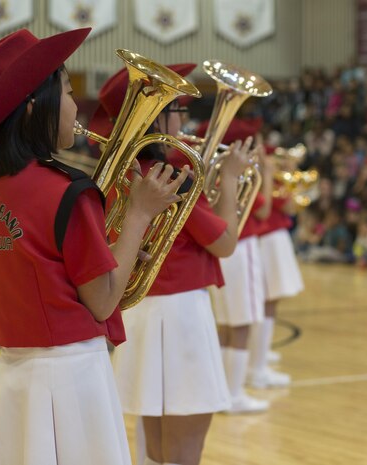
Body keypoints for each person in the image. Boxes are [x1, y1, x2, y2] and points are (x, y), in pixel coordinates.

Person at [0, 28, 188, 465]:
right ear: (33, 106)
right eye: (66, 91)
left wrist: (113, 253)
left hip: (14, 373)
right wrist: (138, 215)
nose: (74, 106)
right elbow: (101, 302)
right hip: (71, 376)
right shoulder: (68, 191)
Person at [91, 65, 257, 465]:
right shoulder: (170, 178)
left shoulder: (124, 173)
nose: (184, 119)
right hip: (181, 319)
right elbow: (226, 243)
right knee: (183, 453)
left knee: (156, 448)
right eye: (178, 108)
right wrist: (231, 178)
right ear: (158, 118)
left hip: (145, 317)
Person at [206, 118, 277, 413]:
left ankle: (223, 392)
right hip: (241, 246)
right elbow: (264, 209)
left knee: (225, 323)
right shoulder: (240, 176)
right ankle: (234, 395)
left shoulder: (217, 173)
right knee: (242, 324)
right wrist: (268, 173)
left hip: (221, 253)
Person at [249, 148, 305, 386]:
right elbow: (276, 208)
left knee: (270, 303)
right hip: (268, 239)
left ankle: (259, 356)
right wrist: (273, 174)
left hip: (273, 239)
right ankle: (257, 365)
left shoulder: (269, 179)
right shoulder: (260, 178)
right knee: (267, 303)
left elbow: (291, 209)